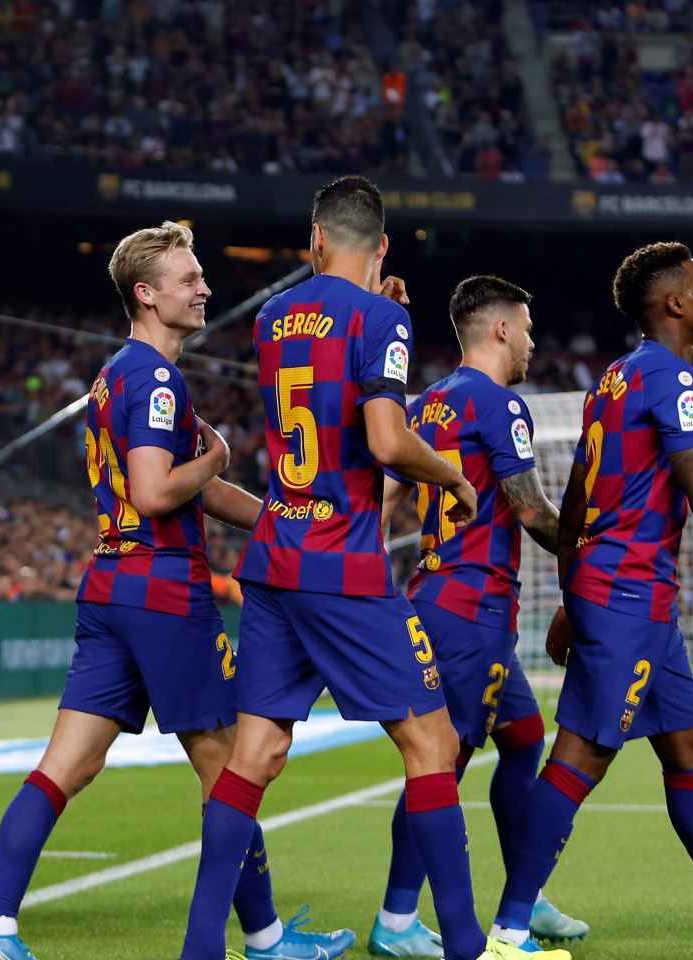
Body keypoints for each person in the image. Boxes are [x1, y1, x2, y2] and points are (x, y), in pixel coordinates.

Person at [176, 178, 559, 960]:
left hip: (276, 558)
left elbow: (325, 359)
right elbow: (386, 441)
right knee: (431, 746)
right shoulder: (383, 318)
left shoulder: (278, 318)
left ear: (315, 241)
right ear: (382, 244)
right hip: (343, 567)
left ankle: (199, 948)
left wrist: (379, 316)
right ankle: (463, 945)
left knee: (253, 758)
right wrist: (449, 477)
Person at [0, 221, 352, 960]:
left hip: (113, 583)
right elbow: (156, 490)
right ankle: (266, 940)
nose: (205, 288)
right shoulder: (156, 380)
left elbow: (190, 488)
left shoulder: (117, 374)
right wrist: (219, 458)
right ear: (146, 295)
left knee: (65, 767)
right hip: (164, 593)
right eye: (189, 278)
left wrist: (281, 514)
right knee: (233, 768)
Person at [487, 242, 693, 959]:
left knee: (691, 748)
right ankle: (510, 933)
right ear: (673, 303)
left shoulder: (613, 379)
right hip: (630, 592)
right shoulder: (673, 378)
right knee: (580, 754)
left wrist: (574, 595)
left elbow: (579, 499)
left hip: (628, 597)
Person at [372, 276, 587, 958]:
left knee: (524, 737)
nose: (528, 341)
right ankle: (398, 918)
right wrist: (599, 550)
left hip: (438, 594)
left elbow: (384, 497)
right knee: (442, 763)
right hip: (472, 609)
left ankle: (524, 894)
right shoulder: (500, 404)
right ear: (498, 330)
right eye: (523, 328)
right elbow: (531, 511)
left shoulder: (429, 403)